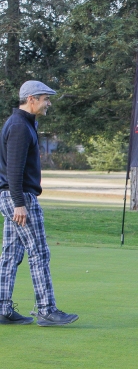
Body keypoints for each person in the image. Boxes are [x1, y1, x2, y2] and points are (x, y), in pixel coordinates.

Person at [0, 80, 79, 327]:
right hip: (20, 197)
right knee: (39, 253)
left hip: (13, 196)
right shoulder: (19, 126)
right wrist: (19, 203)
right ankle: (46, 310)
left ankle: (2, 308)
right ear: (31, 99)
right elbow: (14, 170)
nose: (48, 103)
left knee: (11, 254)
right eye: (46, 98)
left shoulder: (22, 123)